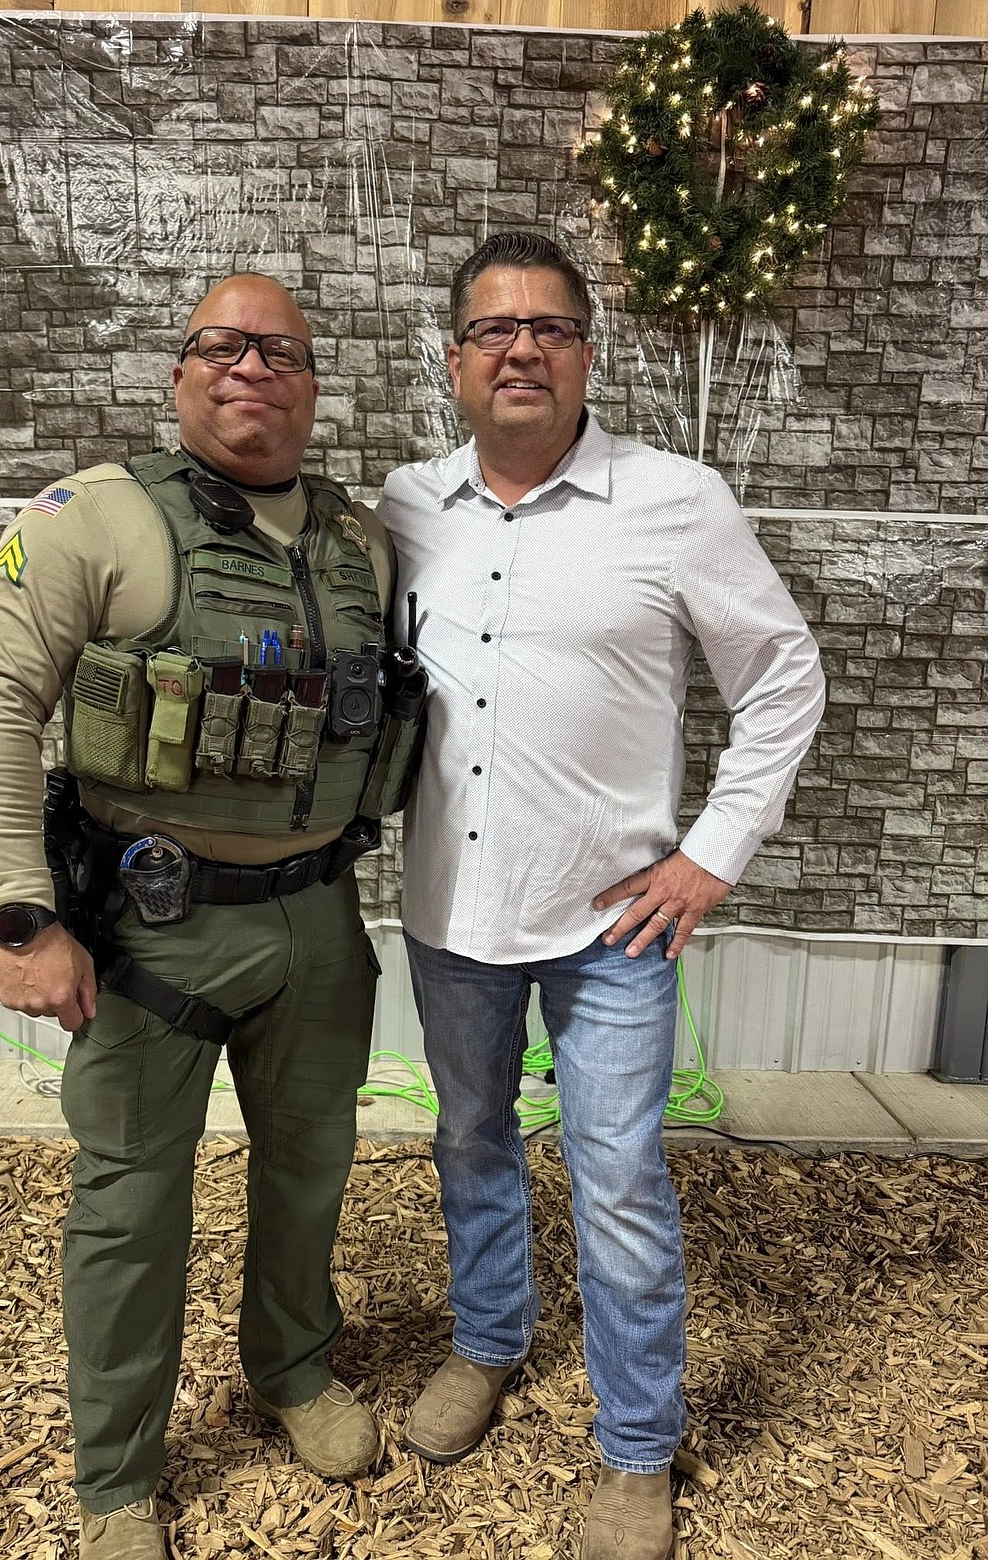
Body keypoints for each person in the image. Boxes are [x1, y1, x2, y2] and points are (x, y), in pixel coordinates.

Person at [0, 273, 414, 1560]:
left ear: (312, 383)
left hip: (320, 919)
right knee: (128, 1206)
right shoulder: (93, 517)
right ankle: (118, 1478)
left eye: (281, 351)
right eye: (222, 345)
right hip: (152, 930)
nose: (251, 367)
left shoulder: (364, 544)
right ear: (179, 373)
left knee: (311, 1172)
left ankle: (293, 1369)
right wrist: (22, 917)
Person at [378, 232, 825, 1560]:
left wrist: (711, 854)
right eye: (493, 328)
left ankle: (636, 1445)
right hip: (451, 913)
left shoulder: (676, 501)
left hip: (611, 925)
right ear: (454, 360)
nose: (521, 347)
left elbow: (782, 676)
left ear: (586, 354)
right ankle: (488, 1340)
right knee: (470, 1140)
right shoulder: (404, 506)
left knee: (619, 1177)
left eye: (550, 328)